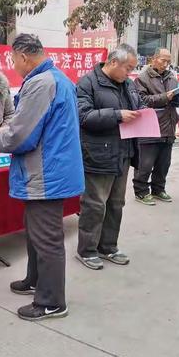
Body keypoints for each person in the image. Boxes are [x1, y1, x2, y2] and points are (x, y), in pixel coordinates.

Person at [0, 34, 84, 321]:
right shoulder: (55, 78)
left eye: (13, 60)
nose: (13, 66)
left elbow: (21, 136)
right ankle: (35, 280)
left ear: (23, 57)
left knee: (47, 238)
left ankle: (52, 302)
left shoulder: (42, 83)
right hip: (50, 168)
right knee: (35, 232)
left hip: (46, 173)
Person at [76, 44, 144, 270]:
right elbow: (83, 117)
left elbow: (138, 106)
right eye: (128, 68)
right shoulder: (88, 83)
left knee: (117, 204)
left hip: (123, 153)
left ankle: (108, 246)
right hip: (98, 153)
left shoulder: (128, 84)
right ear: (113, 62)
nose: (130, 73)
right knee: (95, 204)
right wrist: (117, 115)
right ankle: (86, 250)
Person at [133, 48, 179, 206]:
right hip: (150, 126)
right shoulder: (142, 78)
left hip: (168, 125)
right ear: (154, 59)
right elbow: (142, 100)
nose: (166, 64)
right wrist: (166, 97)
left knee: (164, 163)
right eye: (163, 60)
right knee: (145, 163)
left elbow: (174, 97)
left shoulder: (171, 77)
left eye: (169, 61)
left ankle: (158, 189)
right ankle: (141, 191)